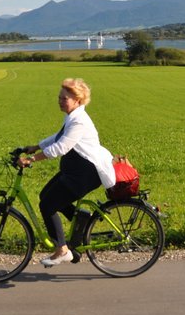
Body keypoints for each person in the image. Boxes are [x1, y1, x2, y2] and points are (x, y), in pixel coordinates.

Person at [18, 78, 116, 267]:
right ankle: (81, 227)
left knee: (48, 205)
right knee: (45, 195)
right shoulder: (72, 117)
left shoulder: (79, 121)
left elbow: (61, 147)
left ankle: (62, 250)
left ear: (77, 101)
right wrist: (35, 146)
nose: (60, 101)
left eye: (64, 98)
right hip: (74, 171)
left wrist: (32, 159)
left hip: (85, 174)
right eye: (59, 97)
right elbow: (58, 137)